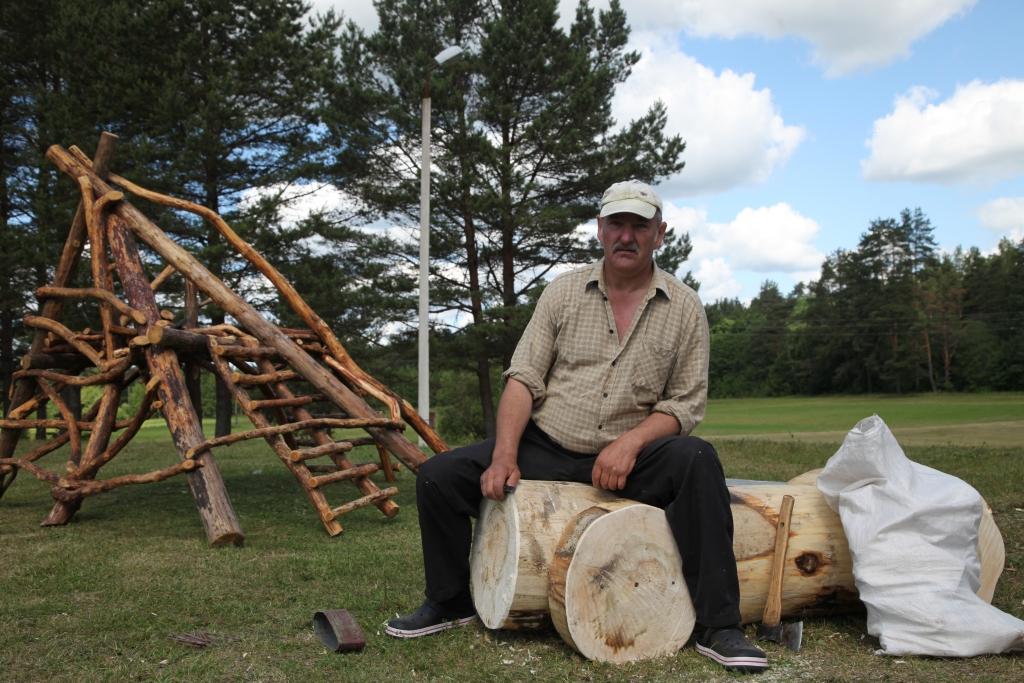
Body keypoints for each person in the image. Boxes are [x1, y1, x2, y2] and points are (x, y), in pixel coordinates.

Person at [385, 180, 768, 674]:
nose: (626, 236)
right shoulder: (563, 292)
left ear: (660, 234)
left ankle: (721, 626)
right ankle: (451, 601)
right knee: (439, 475)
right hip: (549, 445)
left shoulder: (685, 306)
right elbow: (523, 378)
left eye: (639, 226)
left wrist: (631, 443)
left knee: (697, 458)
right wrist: (505, 454)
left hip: (631, 457)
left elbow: (685, 404)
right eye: (617, 224)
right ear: (600, 229)